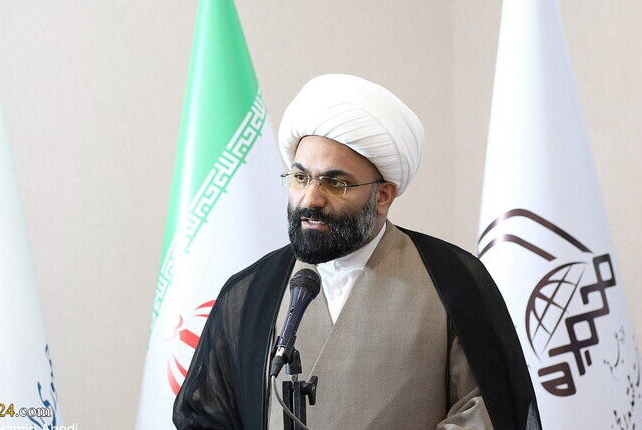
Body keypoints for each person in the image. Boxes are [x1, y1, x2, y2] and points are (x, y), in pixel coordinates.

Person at [173, 74, 541, 430]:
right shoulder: (250, 292)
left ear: (383, 196)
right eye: (300, 177)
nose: (310, 199)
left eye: (335, 182)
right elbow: (205, 416)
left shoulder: (452, 279)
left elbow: (489, 410)